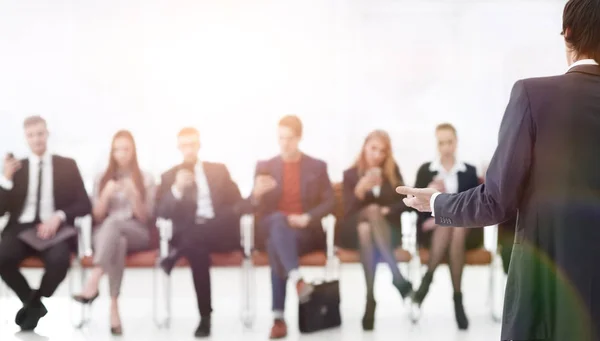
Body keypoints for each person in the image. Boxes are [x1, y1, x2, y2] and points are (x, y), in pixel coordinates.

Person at [397, 1, 600, 340]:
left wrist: (437, 203)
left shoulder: (533, 95)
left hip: (545, 298)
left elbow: (497, 200)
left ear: (568, 34)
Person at [0, 115, 91, 331]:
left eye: (40, 133)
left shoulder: (67, 165)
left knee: (60, 262)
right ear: (26, 138)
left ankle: (35, 302)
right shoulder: (17, 168)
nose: (36, 139)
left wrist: (59, 216)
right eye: (31, 135)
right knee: (1, 258)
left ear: (47, 134)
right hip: (21, 228)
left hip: (55, 229)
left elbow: (84, 204)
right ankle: (33, 304)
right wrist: (5, 179)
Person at [249, 115, 334, 339]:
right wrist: (256, 193)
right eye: (280, 138)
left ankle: (278, 319)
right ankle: (297, 279)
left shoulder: (316, 166)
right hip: (272, 224)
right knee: (277, 221)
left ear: (299, 137)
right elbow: (252, 204)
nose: (284, 143)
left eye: (289, 138)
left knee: (276, 243)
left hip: (303, 232)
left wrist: (307, 217)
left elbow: (329, 201)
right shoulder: (265, 166)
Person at [155, 127, 243, 338]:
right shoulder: (169, 177)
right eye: (184, 145)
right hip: (194, 237)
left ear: (199, 145)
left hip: (220, 231)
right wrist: (177, 189)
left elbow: (238, 202)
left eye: (192, 144)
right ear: (178, 147)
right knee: (196, 246)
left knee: (196, 235)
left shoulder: (218, 171)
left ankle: (174, 256)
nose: (188, 150)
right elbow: (159, 212)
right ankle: (205, 317)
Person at [72, 130, 155, 335]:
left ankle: (94, 279)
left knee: (114, 225)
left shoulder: (146, 178)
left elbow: (146, 218)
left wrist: (134, 195)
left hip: (137, 231)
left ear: (133, 151)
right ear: (112, 152)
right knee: (117, 238)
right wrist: (105, 195)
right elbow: (97, 216)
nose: (121, 153)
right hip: (106, 236)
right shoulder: (101, 178)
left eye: (126, 149)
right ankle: (114, 309)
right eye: (117, 149)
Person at [338, 130, 413, 331]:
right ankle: (397, 277)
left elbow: (407, 201)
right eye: (373, 148)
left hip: (387, 233)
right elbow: (345, 213)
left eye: (382, 151)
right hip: (351, 232)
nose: (377, 155)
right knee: (364, 222)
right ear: (364, 147)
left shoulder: (392, 172)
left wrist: (386, 210)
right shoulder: (350, 175)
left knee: (367, 228)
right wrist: (360, 190)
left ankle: (370, 299)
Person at [412, 123, 481, 330]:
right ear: (437, 144)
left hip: (466, 231)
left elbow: (475, 206)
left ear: (456, 142)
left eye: (449, 142)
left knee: (455, 225)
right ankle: (458, 299)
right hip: (431, 232)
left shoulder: (469, 171)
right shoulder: (426, 171)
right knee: (448, 224)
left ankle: (427, 280)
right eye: (441, 143)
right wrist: (428, 192)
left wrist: (445, 215)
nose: (446, 147)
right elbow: (414, 207)